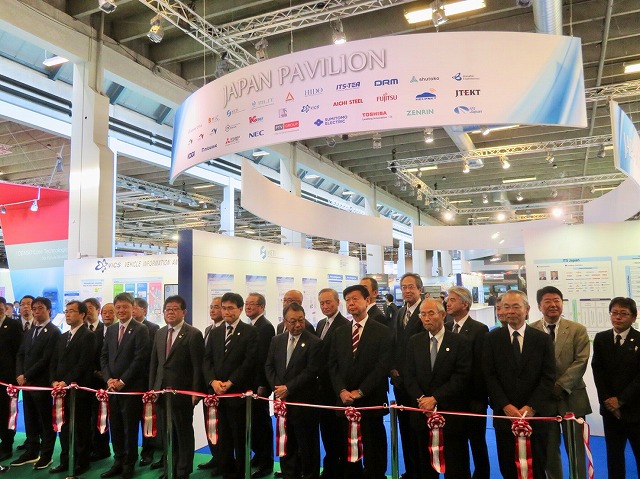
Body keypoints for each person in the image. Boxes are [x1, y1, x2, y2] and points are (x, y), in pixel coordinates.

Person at [483, 290, 555, 479]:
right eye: (506, 307)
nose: (510, 311)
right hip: (505, 416)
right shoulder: (491, 339)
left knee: (536, 466)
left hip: (535, 416)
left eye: (516, 306)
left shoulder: (542, 339)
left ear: (527, 309)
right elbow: (489, 376)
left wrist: (531, 407)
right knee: (508, 466)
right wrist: (505, 405)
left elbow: (548, 377)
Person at [404, 298, 472, 478]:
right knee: (424, 465)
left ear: (442, 315)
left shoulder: (459, 341)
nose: (426, 318)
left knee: (455, 465)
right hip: (422, 414)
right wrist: (422, 400)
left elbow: (461, 376)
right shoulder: (414, 341)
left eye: (431, 313)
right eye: (423, 314)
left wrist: (435, 399)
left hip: (450, 413)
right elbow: (409, 375)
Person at [329, 285, 391, 479]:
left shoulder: (382, 331)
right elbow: (332, 365)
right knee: (348, 446)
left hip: (371, 399)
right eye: (348, 300)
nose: (351, 303)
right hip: (345, 400)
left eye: (355, 298)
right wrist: (341, 390)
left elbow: (382, 366)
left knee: (374, 445)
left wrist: (361, 391)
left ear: (367, 300)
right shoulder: (339, 332)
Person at [529, 286, 591, 479]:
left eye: (557, 300)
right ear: (539, 306)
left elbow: (581, 361)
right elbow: (529, 364)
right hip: (544, 400)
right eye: (547, 301)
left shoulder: (577, 330)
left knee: (576, 449)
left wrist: (560, 385)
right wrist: (546, 388)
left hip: (572, 397)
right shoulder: (531, 330)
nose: (553, 305)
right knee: (549, 449)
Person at [149, 295, 205, 479]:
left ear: (184, 312)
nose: (170, 312)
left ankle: (183, 470)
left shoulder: (193, 334)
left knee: (183, 433)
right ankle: (169, 469)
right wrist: (152, 389)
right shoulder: (160, 333)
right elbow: (155, 364)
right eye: (168, 309)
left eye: (175, 309)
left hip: (182, 393)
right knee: (167, 434)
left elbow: (197, 366)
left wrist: (195, 392)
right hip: (161, 392)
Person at [265, 302, 323, 479]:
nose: (298, 325)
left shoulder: (314, 342)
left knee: (307, 446)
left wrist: (288, 388)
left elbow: (311, 371)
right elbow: (269, 366)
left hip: (303, 403)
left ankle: (310, 475)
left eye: (301, 320)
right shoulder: (277, 340)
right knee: (286, 443)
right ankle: (289, 474)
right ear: (285, 322)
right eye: (293, 321)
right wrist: (278, 388)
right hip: (282, 403)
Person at [204, 292, 257, 479]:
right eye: (224, 308)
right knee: (223, 434)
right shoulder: (215, 332)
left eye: (231, 308)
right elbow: (207, 360)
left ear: (240, 309)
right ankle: (224, 468)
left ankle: (241, 471)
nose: (226, 312)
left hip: (238, 394)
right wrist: (213, 381)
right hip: (217, 393)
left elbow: (249, 362)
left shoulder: (250, 332)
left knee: (239, 436)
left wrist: (231, 382)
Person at [100, 292, 151, 479]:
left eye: (125, 307)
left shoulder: (140, 329)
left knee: (130, 428)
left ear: (132, 308)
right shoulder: (112, 329)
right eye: (118, 307)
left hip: (130, 388)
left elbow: (140, 359)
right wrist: (108, 380)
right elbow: (104, 356)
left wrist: (122, 381)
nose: (121, 310)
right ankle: (118, 461)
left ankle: (129, 464)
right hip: (112, 389)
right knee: (115, 427)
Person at [592, 297, 640, 479]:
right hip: (610, 410)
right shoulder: (601, 338)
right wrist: (609, 402)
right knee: (614, 456)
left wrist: (620, 401)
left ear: (634, 317)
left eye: (623, 313)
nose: (618, 317)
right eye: (614, 313)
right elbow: (598, 371)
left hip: (635, 409)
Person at [445, 286, 490, 479]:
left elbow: (481, 367)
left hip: (473, 399)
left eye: (452, 299)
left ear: (465, 304)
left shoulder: (479, 329)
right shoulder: (446, 327)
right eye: (447, 299)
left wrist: (479, 398)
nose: (447, 303)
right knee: (455, 444)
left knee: (477, 443)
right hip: (451, 399)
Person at [13, 297, 61, 470]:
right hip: (26, 384)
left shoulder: (54, 332)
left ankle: (46, 455)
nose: (36, 311)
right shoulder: (30, 331)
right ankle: (32, 451)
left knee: (45, 421)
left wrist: (27, 375)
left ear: (49, 310)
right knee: (30, 419)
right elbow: (20, 354)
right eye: (34, 309)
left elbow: (46, 359)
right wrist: (19, 374)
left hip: (41, 384)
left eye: (40, 308)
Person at [49, 301, 97, 475]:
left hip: (78, 390)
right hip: (61, 390)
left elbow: (84, 364)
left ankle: (81, 462)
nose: (68, 314)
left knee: (80, 427)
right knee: (63, 426)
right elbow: (54, 361)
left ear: (82, 315)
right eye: (66, 311)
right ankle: (65, 459)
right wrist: (53, 381)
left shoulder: (88, 336)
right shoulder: (63, 336)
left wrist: (66, 381)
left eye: (72, 311)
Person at [391, 273, 424, 479]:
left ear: (420, 289)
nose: (407, 291)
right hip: (399, 382)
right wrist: (392, 368)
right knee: (405, 429)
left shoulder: (426, 311)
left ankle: (422, 471)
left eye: (411, 287)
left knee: (420, 430)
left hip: (419, 383)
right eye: (404, 287)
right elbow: (394, 344)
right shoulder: (399, 312)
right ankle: (411, 469)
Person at [315, 288, 349, 479]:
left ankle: (339, 469)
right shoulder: (321, 324)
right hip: (320, 389)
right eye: (322, 303)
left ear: (337, 303)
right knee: (326, 431)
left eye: (328, 302)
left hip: (335, 389)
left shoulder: (344, 325)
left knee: (338, 432)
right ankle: (330, 466)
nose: (325, 306)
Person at [245, 293, 275, 479]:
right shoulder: (250, 326)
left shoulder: (265, 327)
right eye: (246, 304)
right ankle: (258, 455)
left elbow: (264, 358)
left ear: (262, 307)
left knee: (262, 424)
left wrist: (263, 384)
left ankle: (266, 462)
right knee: (253, 423)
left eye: (252, 304)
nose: (248, 307)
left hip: (259, 386)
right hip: (248, 385)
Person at [132, 297, 160, 467]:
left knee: (147, 419)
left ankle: (148, 452)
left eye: (135, 308)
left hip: (145, 381)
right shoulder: (123, 328)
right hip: (129, 383)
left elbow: (152, 357)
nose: (132, 311)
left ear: (144, 310)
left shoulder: (153, 328)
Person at [84, 298, 111, 462]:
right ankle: (89, 447)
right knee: (88, 417)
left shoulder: (106, 329)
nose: (88, 311)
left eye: (90, 308)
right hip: (87, 381)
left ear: (97, 310)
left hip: (105, 381)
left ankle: (102, 449)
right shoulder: (82, 329)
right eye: (85, 308)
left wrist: (103, 373)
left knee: (101, 417)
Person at [198, 296, 223, 473]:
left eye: (217, 307)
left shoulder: (227, 331)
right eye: (211, 307)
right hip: (207, 385)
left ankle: (224, 459)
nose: (213, 310)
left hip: (220, 386)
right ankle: (215, 456)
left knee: (221, 426)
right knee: (209, 423)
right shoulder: (208, 329)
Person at [0, 297, 22, 462]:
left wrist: (16, 375)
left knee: (7, 412)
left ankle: (7, 445)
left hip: (7, 379)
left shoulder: (13, 325)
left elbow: (18, 353)